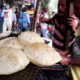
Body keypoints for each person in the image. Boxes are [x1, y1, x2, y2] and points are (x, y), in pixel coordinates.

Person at [35, 0, 76, 80]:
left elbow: (77, 39)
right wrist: (43, 19)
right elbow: (49, 21)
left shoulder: (73, 21)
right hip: (55, 52)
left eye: (62, 6)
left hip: (65, 57)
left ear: (68, 7)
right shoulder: (56, 17)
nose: (59, 8)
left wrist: (74, 28)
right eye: (58, 5)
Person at [61, 0, 80, 80]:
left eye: (77, 8)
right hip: (73, 75)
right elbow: (77, 42)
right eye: (74, 8)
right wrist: (66, 52)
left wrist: (68, 60)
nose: (74, 13)